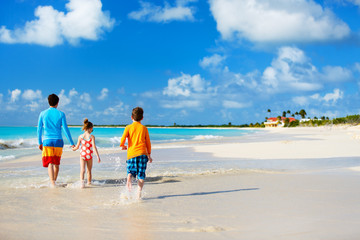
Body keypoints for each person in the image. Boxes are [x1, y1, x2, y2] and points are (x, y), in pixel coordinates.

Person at [37, 94, 75, 187]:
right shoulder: (61, 114)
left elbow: (39, 129)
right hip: (58, 141)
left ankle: (52, 183)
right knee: (56, 163)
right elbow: (66, 129)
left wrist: (39, 142)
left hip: (47, 140)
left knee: (50, 162)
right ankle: (54, 180)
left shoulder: (42, 113)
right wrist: (71, 143)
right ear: (57, 103)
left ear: (48, 102)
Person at [120, 107, 152, 199]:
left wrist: (122, 145)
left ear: (131, 117)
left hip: (132, 154)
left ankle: (130, 175)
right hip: (142, 154)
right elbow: (148, 143)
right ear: (142, 118)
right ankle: (138, 193)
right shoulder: (144, 128)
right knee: (141, 175)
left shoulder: (128, 127)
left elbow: (123, 139)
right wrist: (149, 154)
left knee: (131, 171)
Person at [72, 119, 101, 188]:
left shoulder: (80, 136)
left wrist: (73, 148)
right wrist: (98, 156)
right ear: (90, 128)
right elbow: (94, 146)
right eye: (92, 129)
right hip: (89, 155)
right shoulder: (92, 137)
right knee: (89, 171)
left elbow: (77, 147)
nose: (92, 131)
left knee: (82, 170)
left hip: (82, 155)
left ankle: (82, 184)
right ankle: (89, 183)